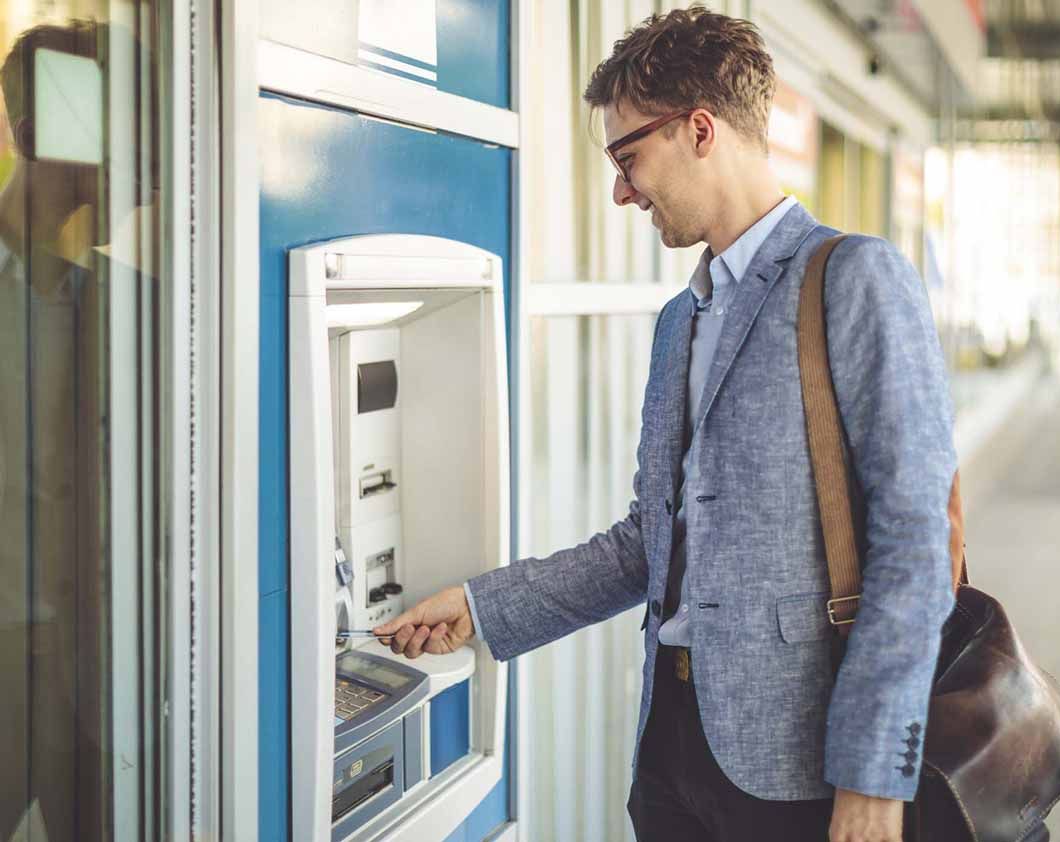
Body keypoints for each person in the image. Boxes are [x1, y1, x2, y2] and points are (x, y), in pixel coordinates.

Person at [376, 8, 956, 842]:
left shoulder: (853, 279)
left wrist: (874, 775)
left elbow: (914, 541)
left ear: (699, 128)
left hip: (804, 767)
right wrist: (481, 607)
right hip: (671, 751)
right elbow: (650, 542)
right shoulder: (679, 320)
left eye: (627, 157)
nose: (620, 190)